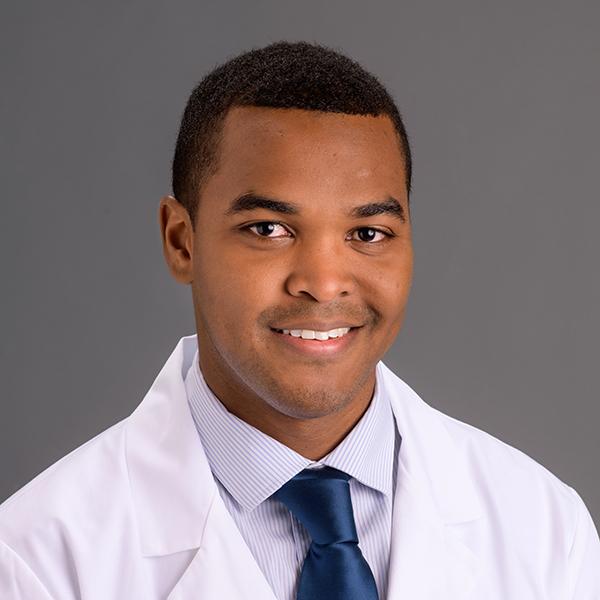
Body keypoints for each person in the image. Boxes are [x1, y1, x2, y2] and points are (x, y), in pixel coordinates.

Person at [1, 40, 598, 600]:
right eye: (268, 229)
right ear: (182, 241)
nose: (323, 281)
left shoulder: (546, 530)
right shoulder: (35, 561)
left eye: (368, 233)